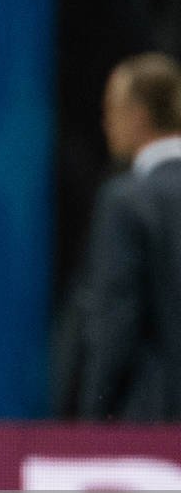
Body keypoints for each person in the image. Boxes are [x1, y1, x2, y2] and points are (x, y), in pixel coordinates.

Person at [78, 52, 181, 420]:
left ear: (138, 114)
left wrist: (94, 420)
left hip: (152, 426)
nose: (106, 122)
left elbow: (116, 324)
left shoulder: (126, 201)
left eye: (112, 107)